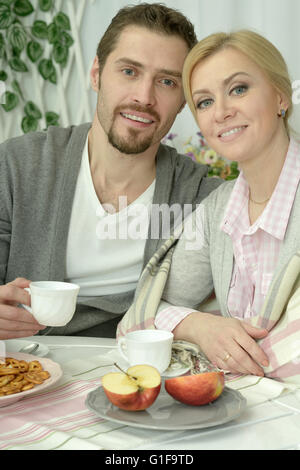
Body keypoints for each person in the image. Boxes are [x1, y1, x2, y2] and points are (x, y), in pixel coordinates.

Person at [0, 3, 222, 340]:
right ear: (96, 74)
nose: (144, 97)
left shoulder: (197, 196)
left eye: (166, 81)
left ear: (183, 101)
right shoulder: (17, 167)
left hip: (133, 373)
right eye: (129, 71)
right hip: (28, 373)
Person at [118, 29, 300, 381]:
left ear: (281, 96)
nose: (222, 112)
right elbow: (140, 315)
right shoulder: (220, 209)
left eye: (238, 89)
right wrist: (200, 327)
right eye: (205, 101)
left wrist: (238, 354)